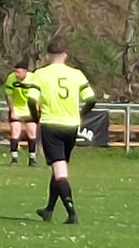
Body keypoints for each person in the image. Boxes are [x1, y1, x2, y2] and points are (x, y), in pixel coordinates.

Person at [26, 36, 96, 225]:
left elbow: (31, 99)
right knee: (59, 166)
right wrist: (81, 114)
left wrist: (35, 117)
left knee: (59, 170)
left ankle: (71, 212)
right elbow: (91, 99)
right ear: (65, 55)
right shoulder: (76, 74)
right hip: (71, 126)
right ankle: (48, 209)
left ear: (48, 56)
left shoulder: (40, 74)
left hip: (51, 124)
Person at [3, 60, 39, 166]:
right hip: (17, 107)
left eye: (18, 72)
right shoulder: (11, 78)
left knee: (32, 132)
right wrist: (12, 110)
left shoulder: (33, 78)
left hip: (30, 108)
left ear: (25, 72)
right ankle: (14, 158)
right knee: (15, 131)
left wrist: (37, 109)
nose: (16, 74)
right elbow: (9, 95)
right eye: (15, 72)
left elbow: (39, 94)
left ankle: (32, 159)